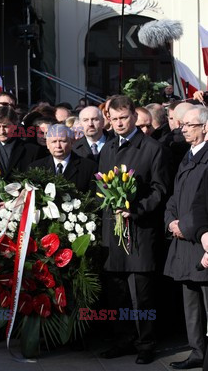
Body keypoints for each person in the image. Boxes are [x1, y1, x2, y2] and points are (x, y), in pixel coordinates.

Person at [99, 95, 170, 365]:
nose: (118, 123)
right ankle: (123, 339)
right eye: (114, 119)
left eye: (123, 118)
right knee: (117, 292)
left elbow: (160, 189)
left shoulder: (153, 148)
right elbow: (102, 188)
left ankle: (146, 343)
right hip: (113, 232)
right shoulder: (107, 149)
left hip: (140, 231)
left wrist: (136, 209)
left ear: (133, 116)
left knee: (141, 294)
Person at [164, 106, 208, 370]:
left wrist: (187, 226)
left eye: (189, 125)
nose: (184, 129)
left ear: (204, 127)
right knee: (190, 302)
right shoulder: (187, 156)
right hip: (184, 242)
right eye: (183, 125)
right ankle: (196, 351)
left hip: (201, 242)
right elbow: (175, 195)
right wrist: (170, 221)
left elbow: (202, 203)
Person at [30, 124, 97, 193]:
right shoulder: (35, 167)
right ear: (47, 144)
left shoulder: (89, 167)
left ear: (72, 142)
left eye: (62, 141)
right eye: (54, 141)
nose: (58, 146)